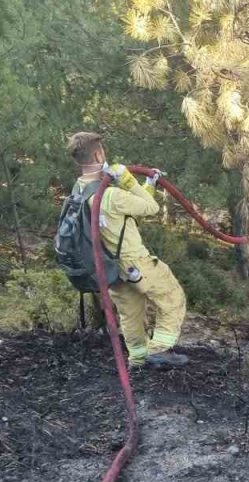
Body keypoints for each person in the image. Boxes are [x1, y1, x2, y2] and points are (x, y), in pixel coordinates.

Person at [67, 131, 188, 370]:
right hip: (135, 261)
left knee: (130, 313)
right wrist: (127, 180)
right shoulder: (110, 195)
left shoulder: (79, 192)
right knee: (172, 298)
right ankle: (159, 350)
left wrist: (148, 185)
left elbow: (130, 210)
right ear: (98, 154)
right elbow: (151, 208)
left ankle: (138, 361)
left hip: (109, 267)